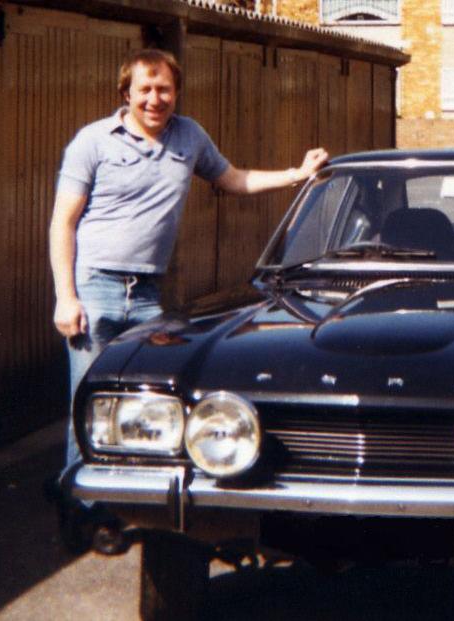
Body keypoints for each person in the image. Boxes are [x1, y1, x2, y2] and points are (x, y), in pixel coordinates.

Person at [49, 48, 328, 499]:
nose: (155, 99)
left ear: (176, 93)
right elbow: (63, 221)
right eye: (145, 90)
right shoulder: (93, 141)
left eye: (164, 90)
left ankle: (135, 498)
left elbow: (234, 180)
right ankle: (84, 507)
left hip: (147, 295)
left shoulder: (190, 137)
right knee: (89, 404)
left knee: (149, 402)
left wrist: (298, 174)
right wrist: (66, 296)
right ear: (126, 93)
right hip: (95, 286)